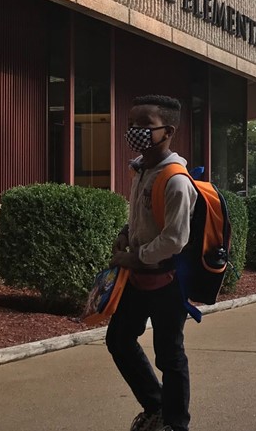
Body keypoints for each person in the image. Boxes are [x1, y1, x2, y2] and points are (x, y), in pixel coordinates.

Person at [107, 95, 198, 431]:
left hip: (167, 281)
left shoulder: (176, 180)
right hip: (138, 277)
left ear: (168, 131)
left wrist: (137, 257)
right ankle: (156, 406)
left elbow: (175, 239)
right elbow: (143, 217)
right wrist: (126, 233)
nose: (135, 131)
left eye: (145, 125)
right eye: (131, 124)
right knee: (119, 340)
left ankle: (175, 424)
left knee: (169, 355)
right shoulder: (141, 170)